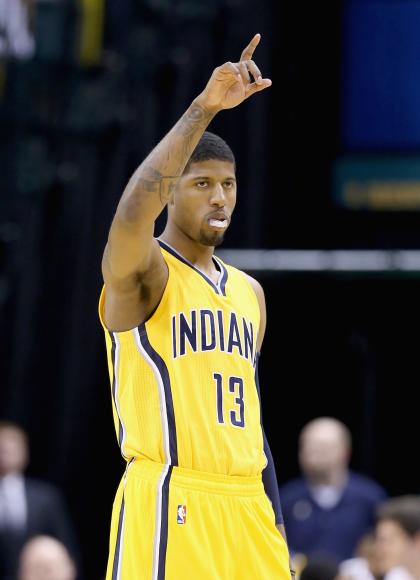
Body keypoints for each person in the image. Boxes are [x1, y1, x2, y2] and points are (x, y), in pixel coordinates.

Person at [99, 33, 292, 579]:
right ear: (171, 192)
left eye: (227, 184)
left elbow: (252, 425)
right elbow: (133, 214)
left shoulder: (249, 293)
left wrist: (275, 526)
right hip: (173, 495)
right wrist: (203, 109)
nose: (219, 198)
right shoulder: (146, 273)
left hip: (249, 504)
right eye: (202, 183)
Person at [280, 417, 386, 562]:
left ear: (345, 451)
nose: (313, 455)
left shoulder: (370, 498)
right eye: (307, 447)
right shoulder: (286, 498)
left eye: (322, 447)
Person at [0, 421, 79, 580]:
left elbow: (65, 544)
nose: (6, 451)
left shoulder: (46, 497)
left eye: (12, 445)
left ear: (25, 452)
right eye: (1, 447)